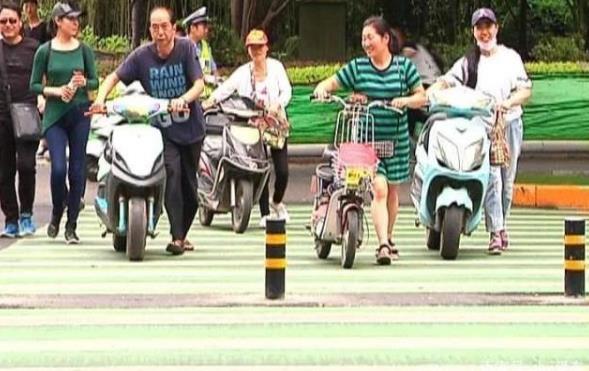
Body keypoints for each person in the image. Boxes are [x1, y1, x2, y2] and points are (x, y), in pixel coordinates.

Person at [92, 6, 205, 255]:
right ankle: (176, 237)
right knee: (172, 175)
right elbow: (113, 78)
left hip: (192, 128)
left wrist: (183, 99)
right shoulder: (142, 56)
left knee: (191, 190)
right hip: (163, 131)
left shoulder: (186, 48)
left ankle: (182, 234)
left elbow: (199, 84)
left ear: (174, 28)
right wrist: (100, 99)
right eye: (155, 27)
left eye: (164, 26)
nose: (160, 32)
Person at [313, 16, 425, 265]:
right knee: (380, 189)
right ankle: (383, 244)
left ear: (385, 39)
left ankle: (388, 237)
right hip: (366, 142)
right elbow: (332, 81)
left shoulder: (403, 68)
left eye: (370, 37)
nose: (366, 43)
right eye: (363, 38)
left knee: (393, 191)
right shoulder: (358, 67)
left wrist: (405, 101)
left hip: (396, 141)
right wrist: (323, 89)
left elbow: (421, 97)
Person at [427, 8, 532, 255]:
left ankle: (501, 225)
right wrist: (433, 90)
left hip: (509, 124)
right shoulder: (469, 61)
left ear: (496, 28)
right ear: (474, 32)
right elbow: (448, 80)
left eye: (488, 26)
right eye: (479, 28)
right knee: (492, 178)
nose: (484, 32)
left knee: (507, 181)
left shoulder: (510, 58)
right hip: (481, 127)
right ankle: (495, 232)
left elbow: (525, 90)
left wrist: (508, 103)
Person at [203, 28, 292, 228]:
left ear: (266, 48)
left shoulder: (276, 68)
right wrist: (210, 101)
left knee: (282, 170)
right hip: (251, 127)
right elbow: (225, 89)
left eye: (259, 47)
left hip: (275, 125)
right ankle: (264, 212)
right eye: (252, 48)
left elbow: (287, 90)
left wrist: (277, 104)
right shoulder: (243, 72)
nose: (256, 51)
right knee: (258, 167)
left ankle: (277, 202)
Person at [29, 1, 98, 244]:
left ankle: (71, 225)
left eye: (77, 19)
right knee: (58, 169)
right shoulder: (45, 51)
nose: (76, 23)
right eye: (71, 19)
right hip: (55, 115)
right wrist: (56, 91)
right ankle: (58, 210)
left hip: (80, 112)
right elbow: (34, 85)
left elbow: (95, 82)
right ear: (58, 21)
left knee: (77, 169)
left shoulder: (84, 50)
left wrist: (82, 83)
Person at [0, 1, 40, 238]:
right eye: (3, 22)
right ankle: (11, 219)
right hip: (1, 116)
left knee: (26, 166)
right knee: (3, 172)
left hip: (27, 113)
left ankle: (26, 215)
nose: (7, 25)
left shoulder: (35, 48)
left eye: (12, 21)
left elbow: (46, 76)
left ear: (20, 22)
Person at [183, 6, 217, 98]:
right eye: (204, 27)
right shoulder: (182, 46)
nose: (206, 30)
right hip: (190, 98)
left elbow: (213, 69)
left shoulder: (205, 46)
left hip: (207, 97)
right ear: (193, 28)